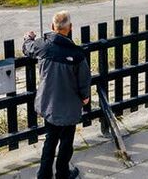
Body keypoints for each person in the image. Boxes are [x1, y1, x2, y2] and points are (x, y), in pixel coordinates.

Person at [23, 12, 91, 179]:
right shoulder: (77, 54)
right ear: (70, 28)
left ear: (52, 27)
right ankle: (62, 173)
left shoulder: (43, 46)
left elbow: (27, 48)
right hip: (70, 104)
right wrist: (85, 97)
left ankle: (44, 175)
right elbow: (84, 79)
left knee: (50, 140)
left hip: (50, 104)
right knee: (67, 142)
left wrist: (28, 38)